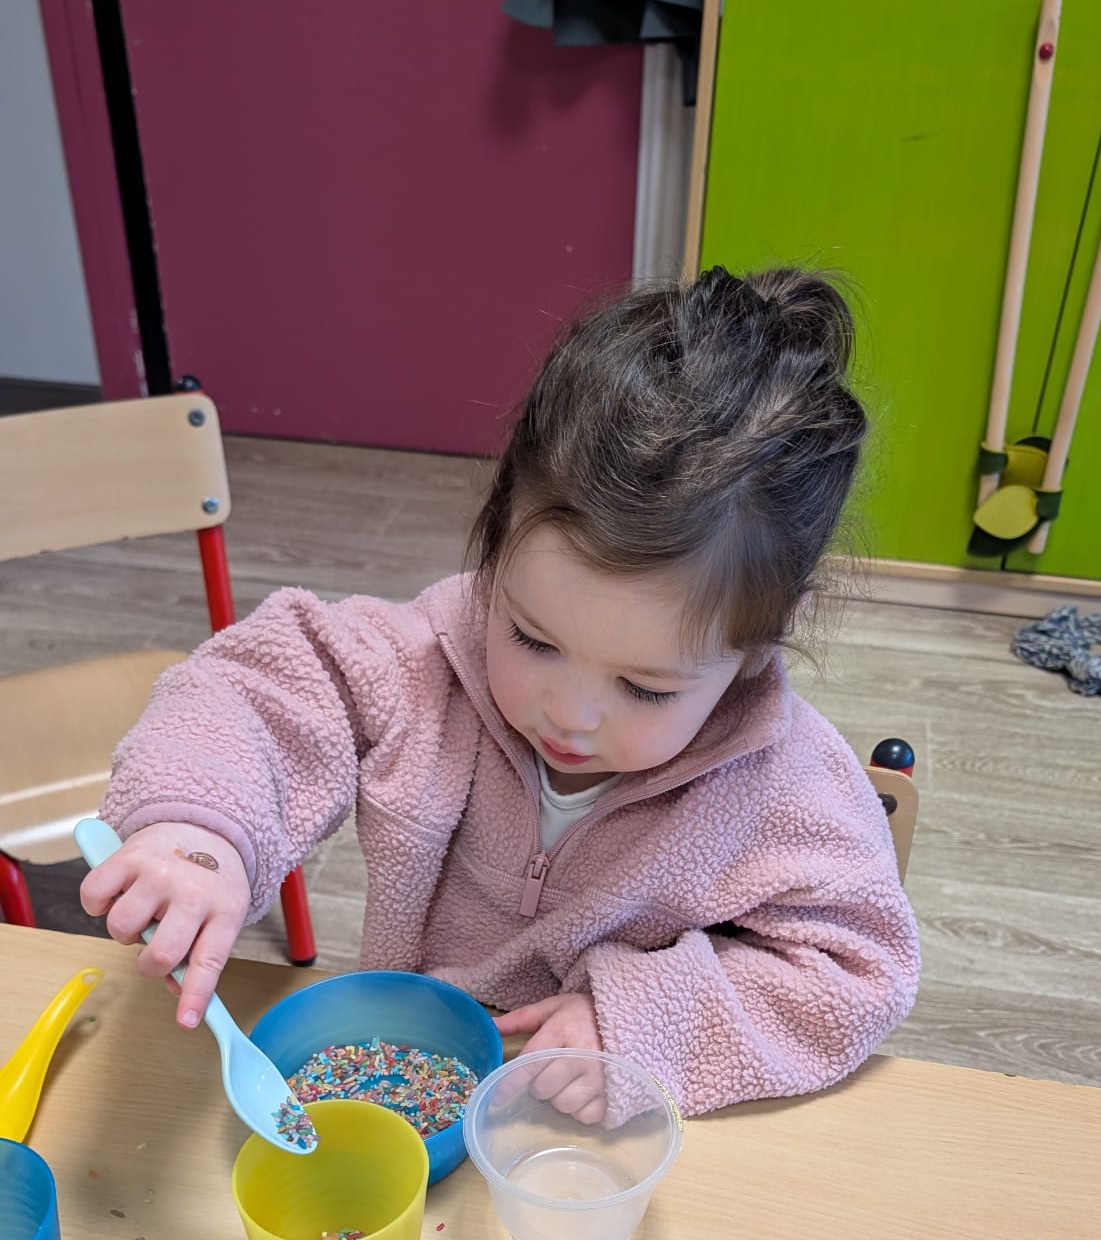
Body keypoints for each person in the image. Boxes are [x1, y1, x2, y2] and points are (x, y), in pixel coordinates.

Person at [82, 265, 919, 1120]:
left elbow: (856, 975)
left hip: (590, 1131)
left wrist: (639, 1022)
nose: (569, 715)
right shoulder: (426, 661)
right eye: (532, 639)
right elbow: (255, 689)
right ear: (496, 541)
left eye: (644, 688)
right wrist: (202, 831)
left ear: (759, 642)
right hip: (412, 1084)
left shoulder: (785, 790)